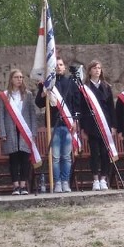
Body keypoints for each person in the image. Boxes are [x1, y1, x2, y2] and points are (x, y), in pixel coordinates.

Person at [35, 57, 79, 193]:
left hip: (67, 124)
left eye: (61, 64)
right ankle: (57, 182)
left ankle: (65, 182)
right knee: (55, 157)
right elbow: (39, 103)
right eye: (56, 65)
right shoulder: (48, 84)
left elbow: (76, 103)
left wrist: (76, 120)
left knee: (66, 156)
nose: (59, 67)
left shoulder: (71, 83)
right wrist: (43, 93)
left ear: (64, 67)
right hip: (53, 124)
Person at [0, 69, 38, 195]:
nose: (19, 79)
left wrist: (34, 132)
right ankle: (15, 186)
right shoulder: (4, 95)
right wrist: (2, 133)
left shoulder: (28, 94)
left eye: (21, 77)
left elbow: (32, 114)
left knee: (24, 159)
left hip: (25, 131)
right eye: (16, 77)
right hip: (11, 131)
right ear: (11, 79)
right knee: (14, 159)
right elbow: (1, 115)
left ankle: (23, 185)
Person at [79, 59, 117, 191]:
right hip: (92, 125)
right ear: (89, 71)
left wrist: (113, 126)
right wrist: (83, 128)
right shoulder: (85, 88)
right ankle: (95, 178)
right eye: (94, 68)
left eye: (99, 68)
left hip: (105, 125)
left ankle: (103, 179)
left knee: (105, 153)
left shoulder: (106, 87)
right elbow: (82, 109)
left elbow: (111, 108)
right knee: (94, 153)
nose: (97, 70)